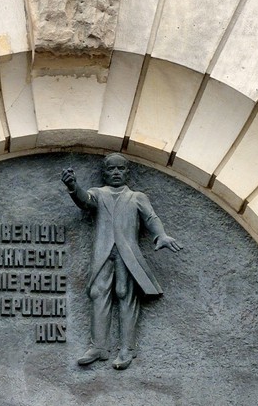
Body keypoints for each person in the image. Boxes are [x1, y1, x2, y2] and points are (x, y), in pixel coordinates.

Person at [61, 155, 182, 370]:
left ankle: (126, 349)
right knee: (98, 293)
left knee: (124, 293)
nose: (116, 172)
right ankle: (98, 347)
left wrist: (161, 235)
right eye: (111, 169)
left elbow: (151, 218)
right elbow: (84, 201)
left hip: (127, 253)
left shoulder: (137, 197)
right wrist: (73, 186)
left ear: (127, 172)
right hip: (103, 252)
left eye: (120, 169)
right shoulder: (99, 194)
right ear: (104, 173)